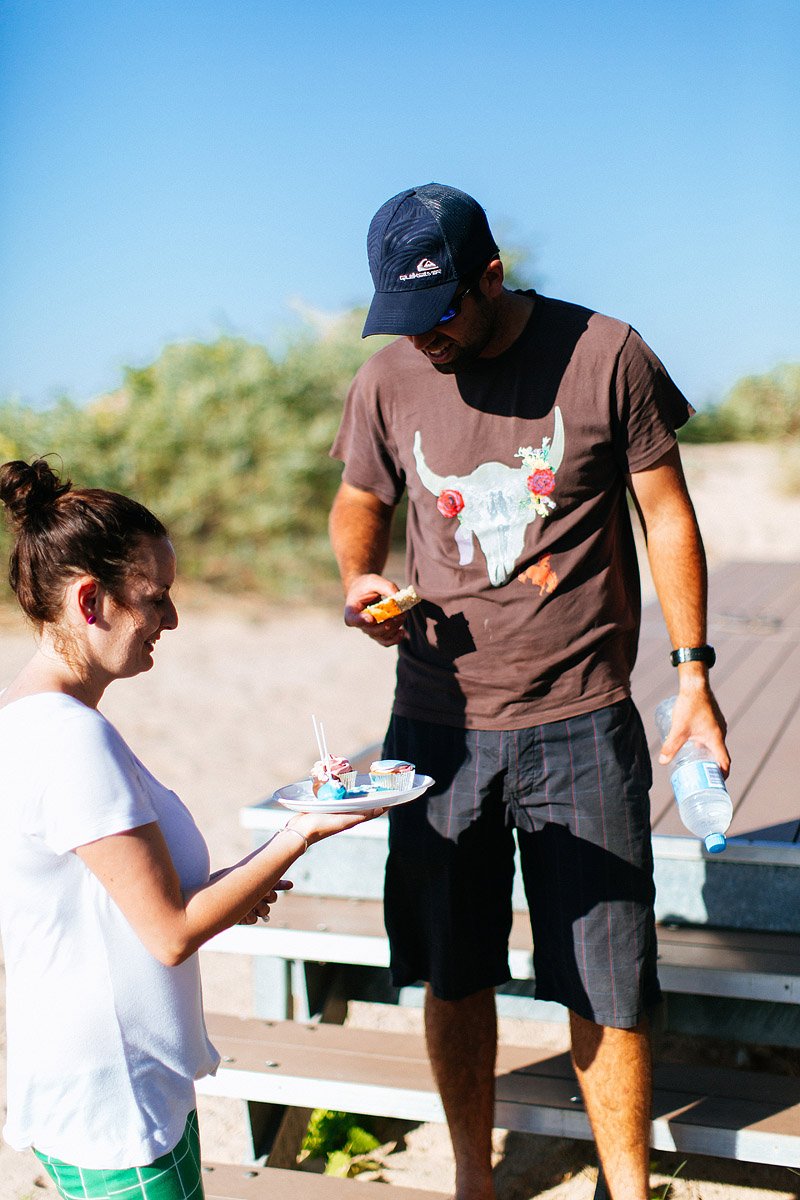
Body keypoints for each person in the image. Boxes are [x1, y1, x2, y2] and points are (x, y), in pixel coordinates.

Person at [328, 182, 729, 1200]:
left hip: (579, 720)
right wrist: (358, 580)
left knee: (605, 977)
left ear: (491, 272)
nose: (426, 339)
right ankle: (472, 1175)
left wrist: (692, 675)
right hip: (434, 726)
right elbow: (357, 499)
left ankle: (625, 1188)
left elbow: (666, 518)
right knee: (451, 968)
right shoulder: (386, 380)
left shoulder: (605, 353)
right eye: (406, 321)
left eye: (443, 313)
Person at [0, 458, 383, 1200]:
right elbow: (170, 932)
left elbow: (108, 905)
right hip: (116, 1099)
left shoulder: (31, 722)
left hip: (98, 1084)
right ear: (90, 600)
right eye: (156, 597)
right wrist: (302, 831)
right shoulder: (70, 740)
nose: (171, 620)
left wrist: (237, 886)